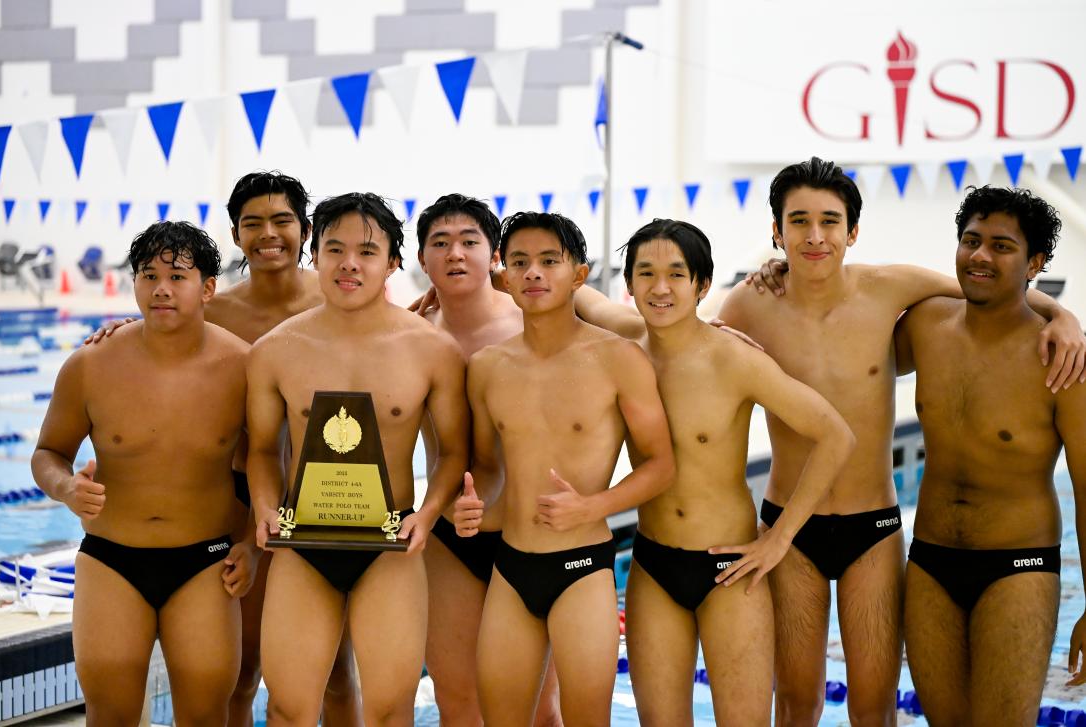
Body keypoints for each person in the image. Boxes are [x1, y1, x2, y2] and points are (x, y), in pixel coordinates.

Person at [718, 157, 1086, 725]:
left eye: (830, 221)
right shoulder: (747, 306)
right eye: (798, 221)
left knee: (874, 706)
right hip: (792, 527)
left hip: (877, 528)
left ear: (853, 231)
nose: (815, 236)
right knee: (795, 702)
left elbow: (989, 290)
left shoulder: (892, 290)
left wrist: (1062, 314)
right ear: (777, 230)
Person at [84, 170, 362, 727]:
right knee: (243, 670)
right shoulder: (217, 311)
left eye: (282, 220)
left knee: (335, 671)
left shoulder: (342, 299)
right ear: (236, 235)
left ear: (304, 230)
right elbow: (167, 333)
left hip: (332, 498)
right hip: (245, 501)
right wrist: (121, 329)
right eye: (252, 223)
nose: (268, 234)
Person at [572, 218, 854, 724]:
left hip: (730, 572)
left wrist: (781, 537)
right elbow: (569, 290)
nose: (661, 288)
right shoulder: (625, 344)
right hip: (654, 565)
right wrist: (460, 293)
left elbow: (835, 435)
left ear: (702, 285)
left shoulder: (734, 359)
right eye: (646, 274)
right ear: (629, 284)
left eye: (677, 274)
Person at [247, 192, 470, 725]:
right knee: (286, 709)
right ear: (314, 255)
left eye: (367, 251)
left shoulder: (431, 350)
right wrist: (264, 505)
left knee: (391, 711)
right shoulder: (275, 350)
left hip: (390, 546)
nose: (350, 263)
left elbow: (454, 451)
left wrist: (430, 512)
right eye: (335, 248)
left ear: (393, 262)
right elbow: (259, 449)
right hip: (305, 542)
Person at [453, 211, 676, 726]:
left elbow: (662, 466)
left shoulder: (618, 359)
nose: (534, 273)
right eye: (520, 262)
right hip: (510, 567)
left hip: (583, 568)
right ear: (502, 276)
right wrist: (470, 510)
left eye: (549, 261)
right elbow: (487, 470)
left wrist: (593, 506)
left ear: (579, 273)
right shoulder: (487, 368)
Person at [32, 221, 254, 725]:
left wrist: (255, 547)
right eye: (147, 275)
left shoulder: (242, 367)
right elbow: (47, 453)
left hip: (207, 562)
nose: (160, 289)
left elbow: (267, 464)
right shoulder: (90, 364)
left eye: (177, 277)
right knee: (109, 717)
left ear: (209, 288)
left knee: (204, 716)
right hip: (111, 561)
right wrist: (67, 487)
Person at [894, 186, 1086, 725]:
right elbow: (847, 330)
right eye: (970, 241)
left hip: (1017, 567)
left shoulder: (1060, 360)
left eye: (1001, 246)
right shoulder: (926, 326)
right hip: (930, 562)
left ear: (1035, 263)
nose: (980, 256)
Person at [411, 193, 563, 726]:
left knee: (541, 711)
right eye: (440, 243)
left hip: (529, 533)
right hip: (451, 536)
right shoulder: (414, 340)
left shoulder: (534, 320)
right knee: (459, 704)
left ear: (494, 254)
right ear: (422, 260)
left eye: (469, 241)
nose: (455, 253)